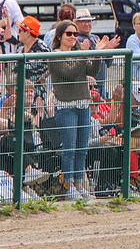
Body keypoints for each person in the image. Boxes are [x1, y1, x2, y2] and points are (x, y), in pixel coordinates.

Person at [48, 20, 112, 200]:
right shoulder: (55, 55)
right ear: (59, 36)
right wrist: (86, 54)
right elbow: (68, 74)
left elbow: (91, 70)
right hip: (66, 106)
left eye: (75, 34)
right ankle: (69, 187)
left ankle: (78, 184)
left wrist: (98, 55)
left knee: (82, 149)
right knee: (69, 148)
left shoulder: (78, 54)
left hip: (83, 104)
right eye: (69, 34)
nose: (73, 37)